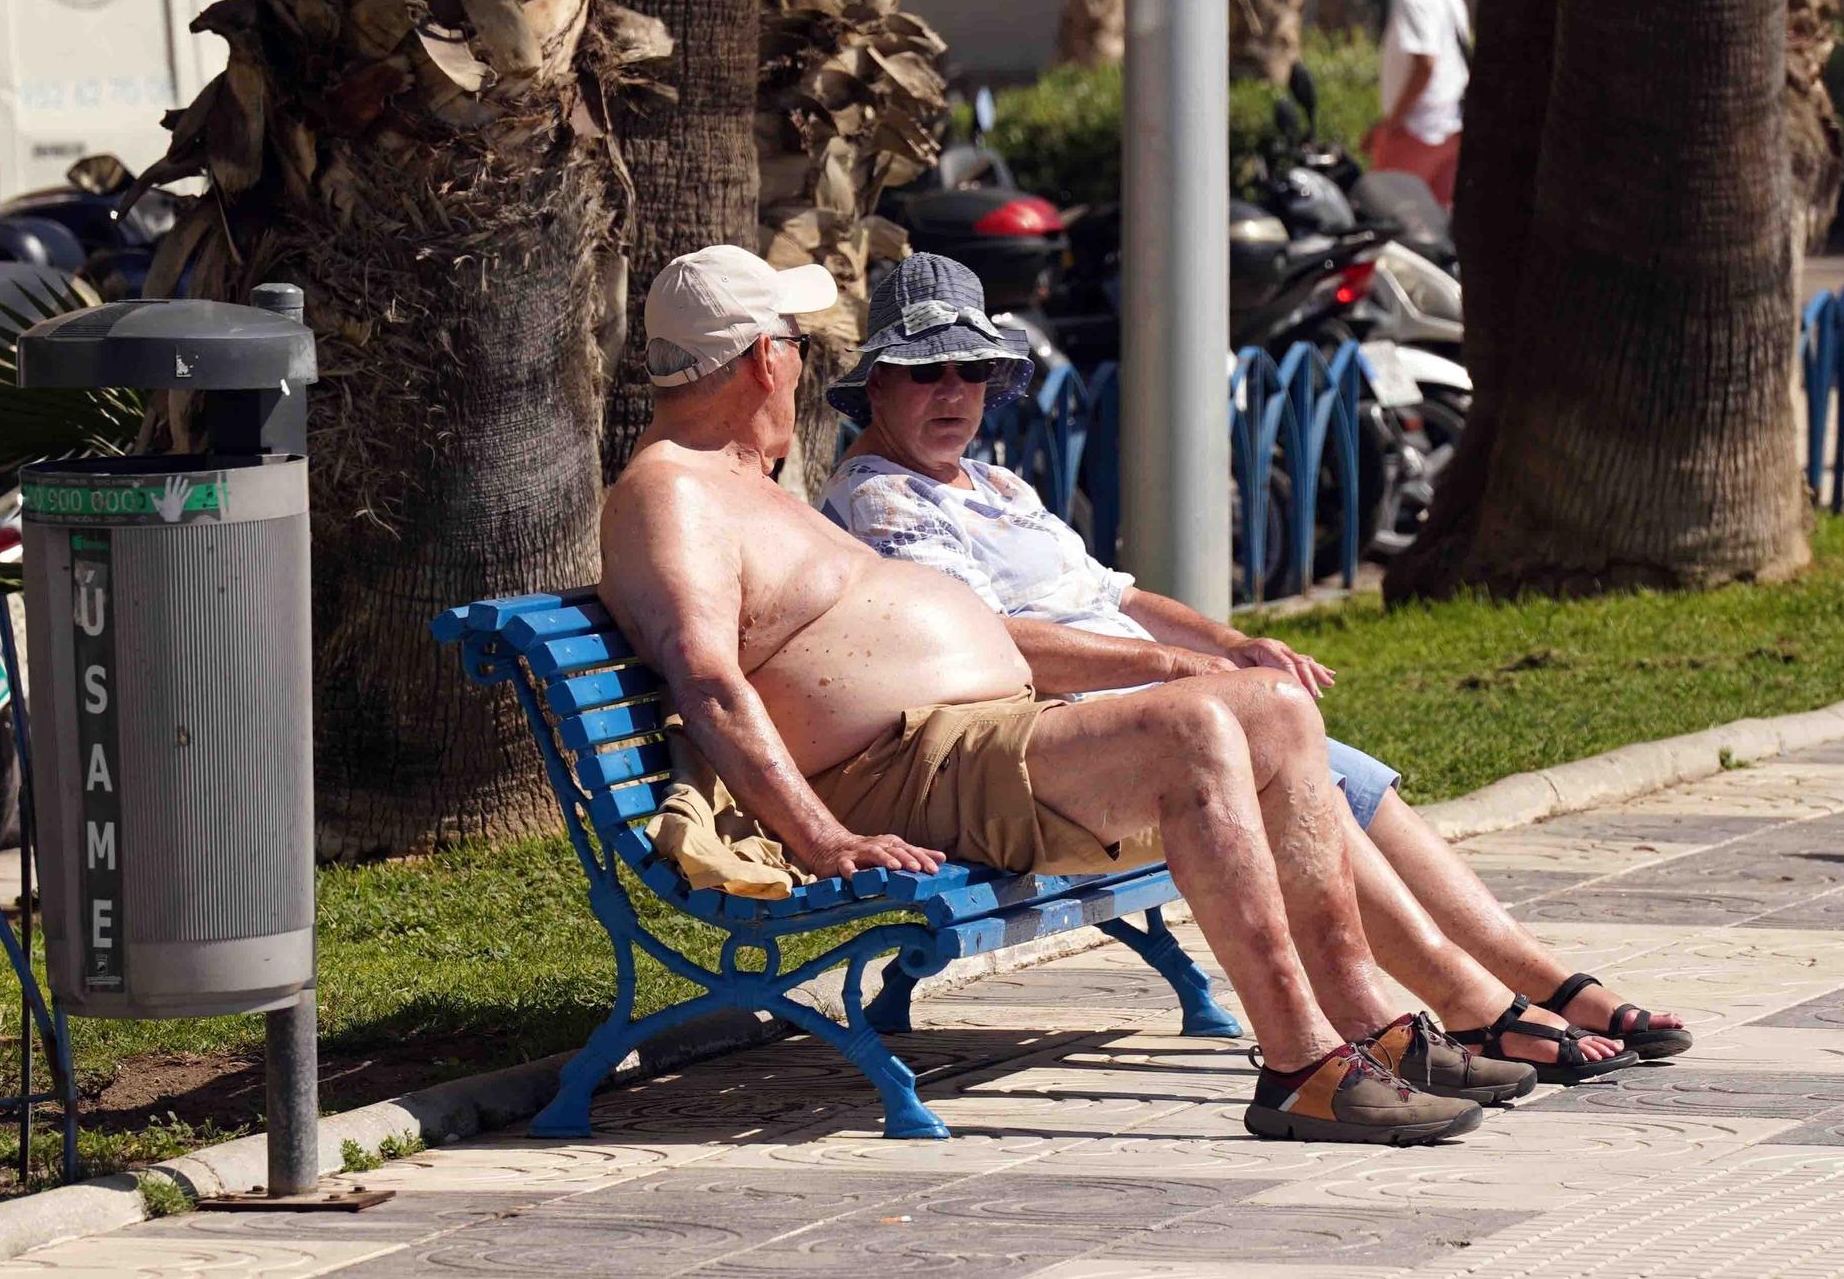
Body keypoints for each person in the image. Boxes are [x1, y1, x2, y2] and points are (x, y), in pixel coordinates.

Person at [604, 244, 1558, 1149]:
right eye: (798, 347)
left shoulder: (746, 482)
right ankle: (1301, 1061)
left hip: (976, 741)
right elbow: (707, 678)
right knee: (1192, 725)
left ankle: (1371, 1021)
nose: (804, 367)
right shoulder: (674, 492)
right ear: (765, 359)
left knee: (1271, 706)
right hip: (907, 764)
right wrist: (823, 840)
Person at [820, 254, 1692, 1080]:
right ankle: (1484, 997)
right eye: (928, 370)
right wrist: (1173, 665)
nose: (955, 391)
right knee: (1313, 769)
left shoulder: (996, 485)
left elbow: (1113, 591)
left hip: (1145, 709)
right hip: (1069, 732)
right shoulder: (881, 496)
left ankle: (1511, 986)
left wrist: (1226, 647)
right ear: (879, 386)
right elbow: (994, 638)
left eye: (972, 370)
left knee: (1339, 775)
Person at [1362, 0, 1472, 208]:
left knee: (1388, 215)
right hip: (1451, 128)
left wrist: (1392, 124)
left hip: (1417, 130)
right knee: (1436, 224)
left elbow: (1425, 64)